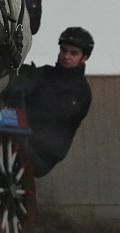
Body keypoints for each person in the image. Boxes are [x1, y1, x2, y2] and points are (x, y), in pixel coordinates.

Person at [17, 26, 94, 177]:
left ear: (84, 58)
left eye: (73, 53)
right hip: (23, 138)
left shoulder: (81, 91)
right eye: (64, 50)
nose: (66, 56)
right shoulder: (44, 73)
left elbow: (52, 116)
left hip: (43, 154)